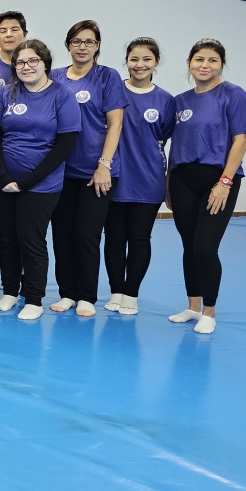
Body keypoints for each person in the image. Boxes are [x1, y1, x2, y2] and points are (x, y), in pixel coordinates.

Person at [0, 40, 80, 320]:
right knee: (6, 238)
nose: (26, 67)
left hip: (41, 184)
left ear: (45, 63)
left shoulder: (61, 95)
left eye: (32, 61)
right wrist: (2, 176)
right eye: (20, 62)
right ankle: (10, 291)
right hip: (1, 181)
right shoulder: (6, 94)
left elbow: (65, 145)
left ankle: (34, 298)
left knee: (31, 239)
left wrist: (27, 181)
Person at [166, 39, 246, 335]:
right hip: (182, 179)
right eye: (199, 59)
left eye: (212, 60)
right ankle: (192, 306)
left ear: (222, 65)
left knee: (205, 247)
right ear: (189, 63)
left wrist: (225, 182)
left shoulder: (232, 94)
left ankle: (209, 311)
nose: (205, 65)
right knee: (188, 246)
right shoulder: (179, 101)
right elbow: (172, 144)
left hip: (217, 178)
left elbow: (241, 139)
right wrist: (168, 183)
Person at [48, 20, 128, 318]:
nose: (83, 47)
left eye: (89, 42)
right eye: (77, 41)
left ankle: (86, 296)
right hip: (60, 171)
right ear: (68, 44)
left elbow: (115, 123)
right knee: (62, 233)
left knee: (87, 233)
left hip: (96, 171)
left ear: (97, 46)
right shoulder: (54, 77)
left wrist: (104, 165)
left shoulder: (107, 77)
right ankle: (66, 292)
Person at [103, 38, 175, 316]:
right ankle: (116, 291)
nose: (140, 65)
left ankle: (131, 293)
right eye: (134, 59)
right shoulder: (114, 90)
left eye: (146, 59)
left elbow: (167, 138)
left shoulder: (166, 100)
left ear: (156, 62)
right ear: (126, 61)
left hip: (149, 178)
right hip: (115, 176)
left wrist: (169, 179)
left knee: (140, 238)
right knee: (114, 237)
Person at [0, 11, 27, 89]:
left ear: (25, 35)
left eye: (14, 30)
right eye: (3, 31)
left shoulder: (33, 65)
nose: (9, 35)